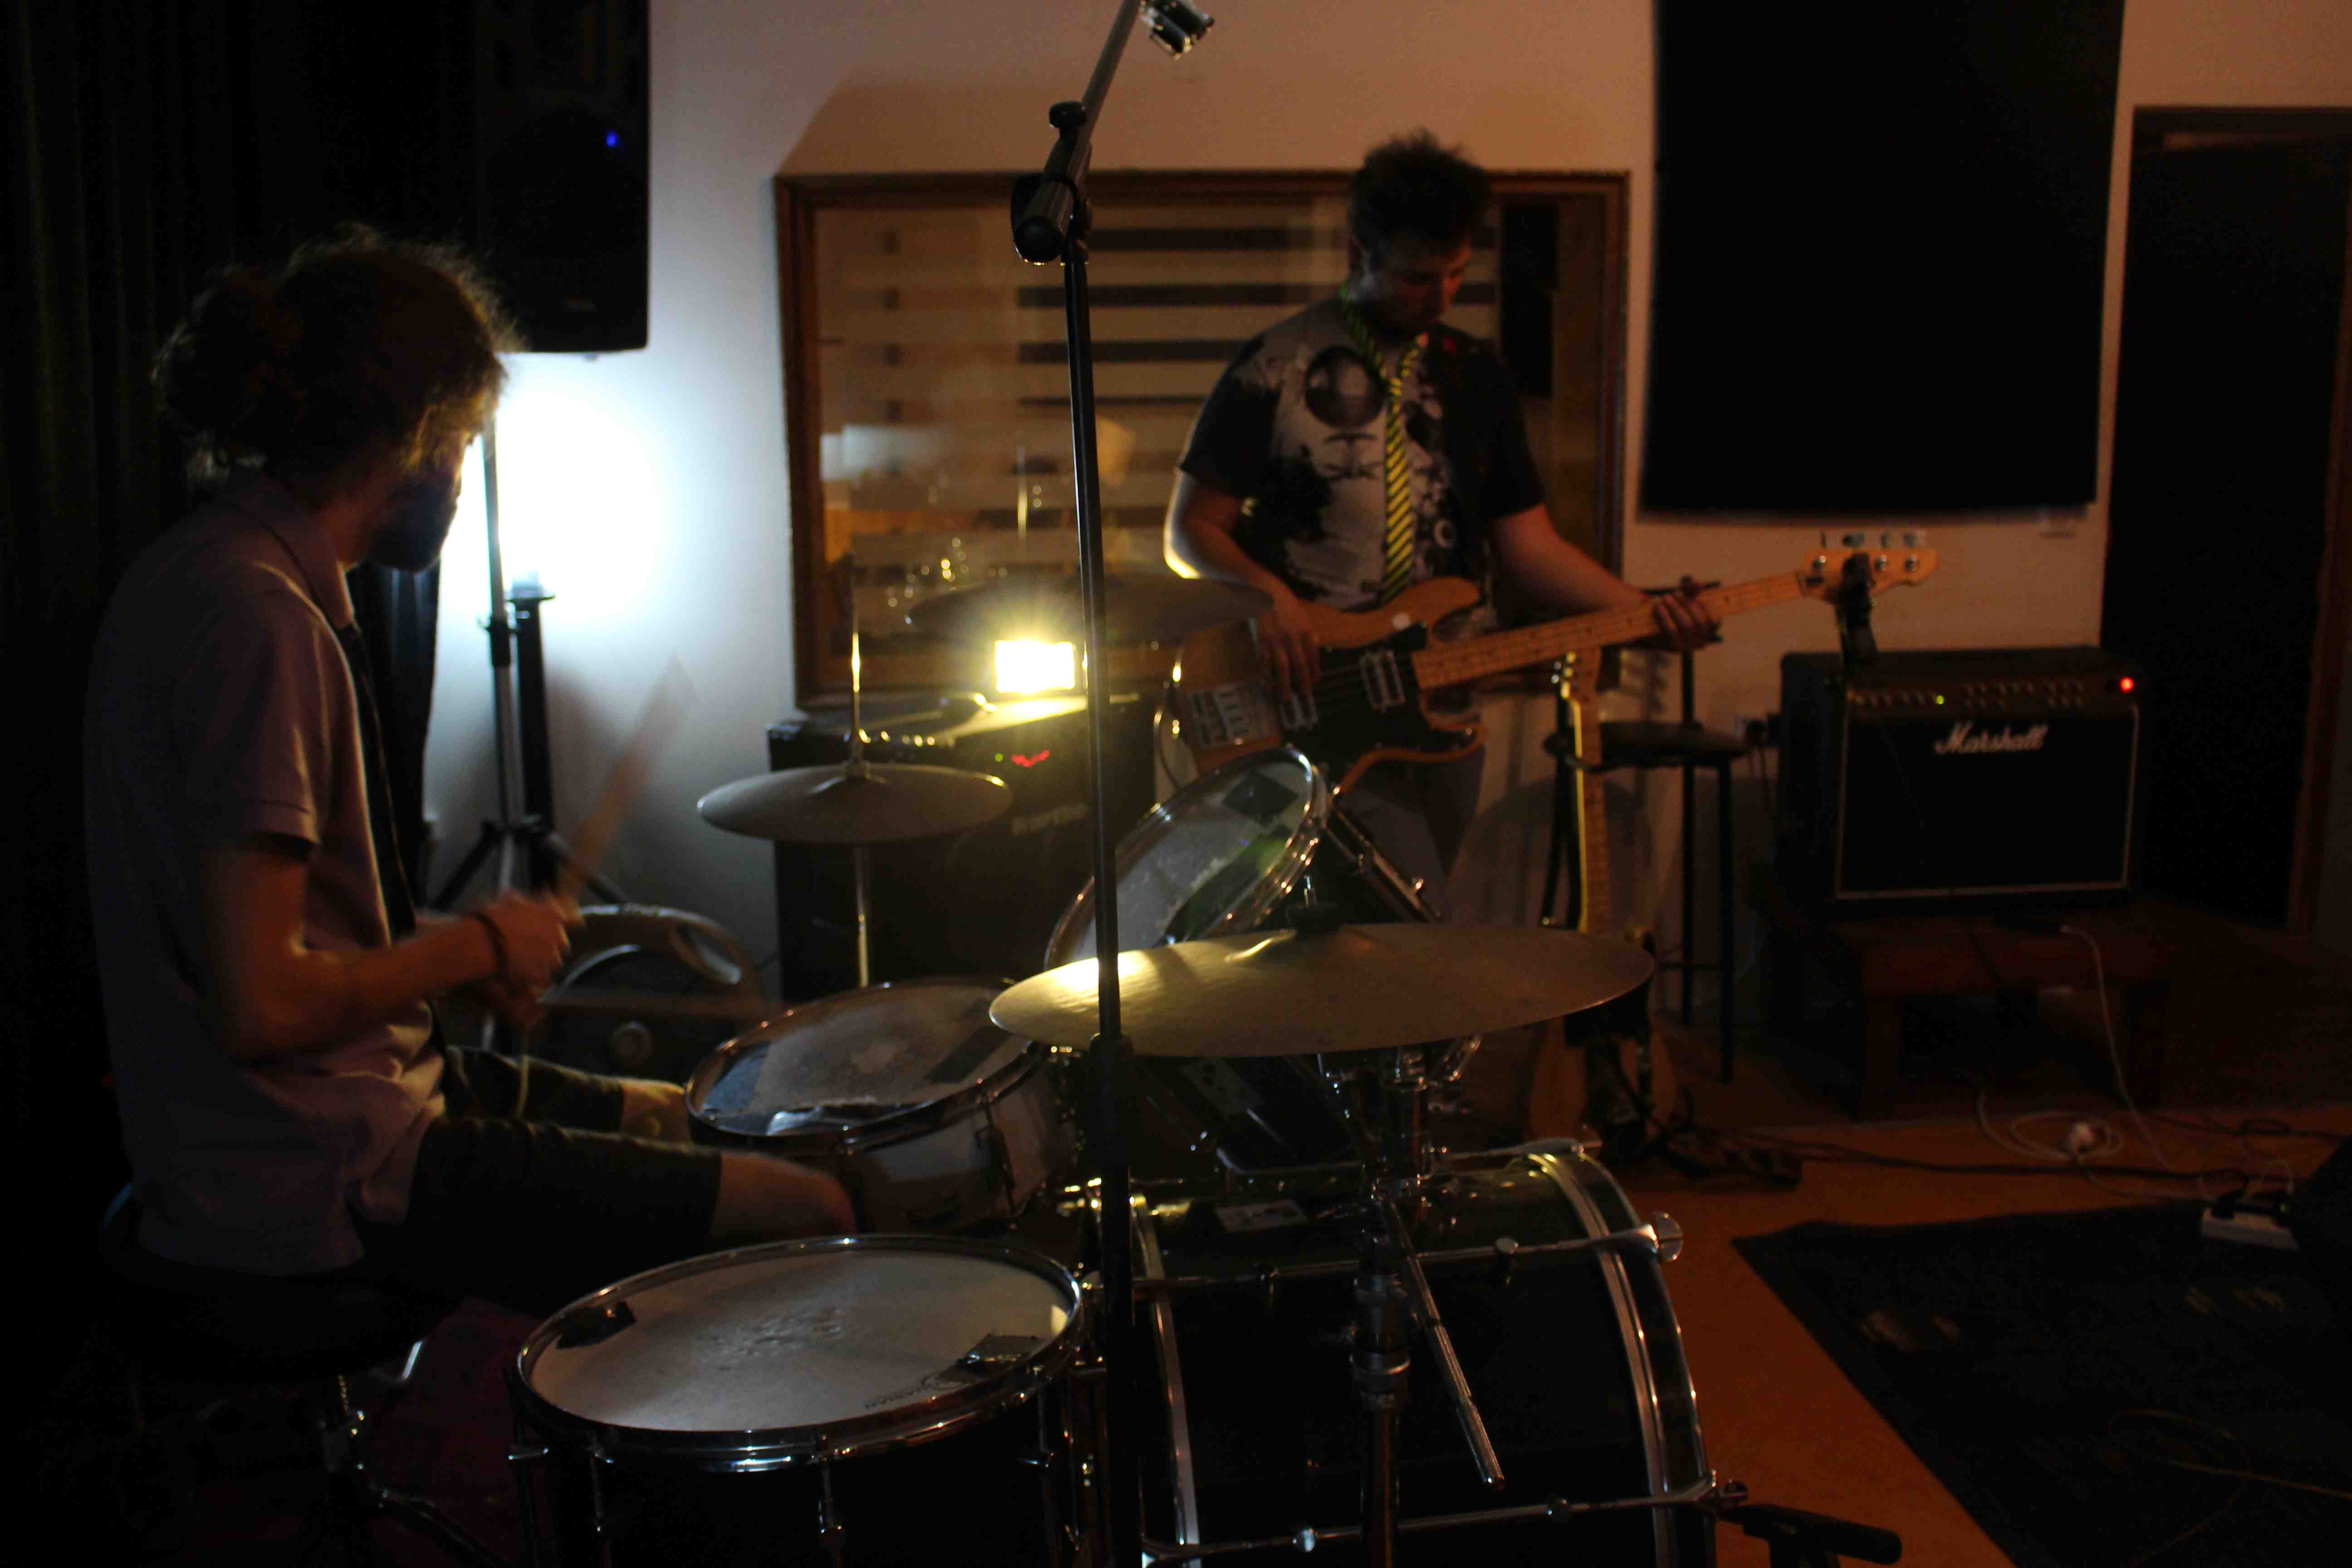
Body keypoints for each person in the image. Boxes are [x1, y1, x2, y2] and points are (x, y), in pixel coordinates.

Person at [86, 228, 851, 1318]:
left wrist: (441, 962)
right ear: (416, 433)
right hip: (313, 1178)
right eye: (462, 443)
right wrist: (479, 943)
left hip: (286, 1131)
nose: (459, 482)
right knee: (807, 1204)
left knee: (692, 1115)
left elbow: (269, 950)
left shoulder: (203, 568)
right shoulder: (263, 623)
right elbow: (262, 1004)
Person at [1166, 131, 1717, 917]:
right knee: (1415, 928)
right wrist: (1266, 598)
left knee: (1407, 933)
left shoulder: (1476, 374)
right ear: (1358, 252)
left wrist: (1642, 616)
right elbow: (1191, 530)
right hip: (1317, 706)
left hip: (1447, 709)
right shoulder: (1274, 365)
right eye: (1418, 277)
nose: (1442, 295)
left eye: (1457, 272)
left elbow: (1529, 546)